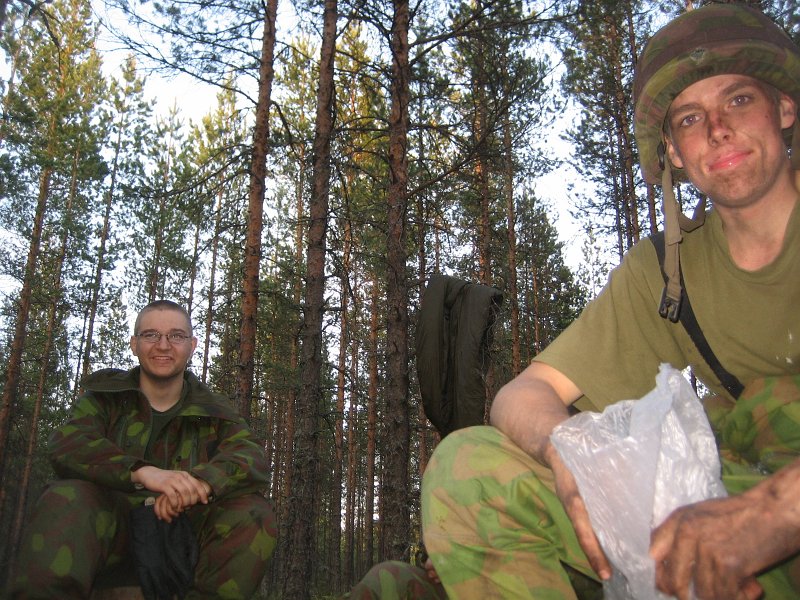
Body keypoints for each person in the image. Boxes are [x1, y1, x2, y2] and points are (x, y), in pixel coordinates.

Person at [421, 4, 800, 600]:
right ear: (674, 151)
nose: (718, 129)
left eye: (739, 100)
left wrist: (778, 511)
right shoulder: (669, 274)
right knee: (468, 466)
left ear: (784, 108)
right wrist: (572, 454)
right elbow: (524, 395)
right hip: (735, 514)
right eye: (691, 118)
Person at [9, 299, 276, 599]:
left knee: (253, 512)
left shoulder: (215, 410)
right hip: (110, 530)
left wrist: (201, 484)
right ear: (134, 344)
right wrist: (140, 472)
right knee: (68, 496)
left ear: (192, 345)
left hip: (184, 537)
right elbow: (69, 443)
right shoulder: (105, 399)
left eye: (176, 336)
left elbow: (251, 456)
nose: (163, 345)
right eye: (151, 335)